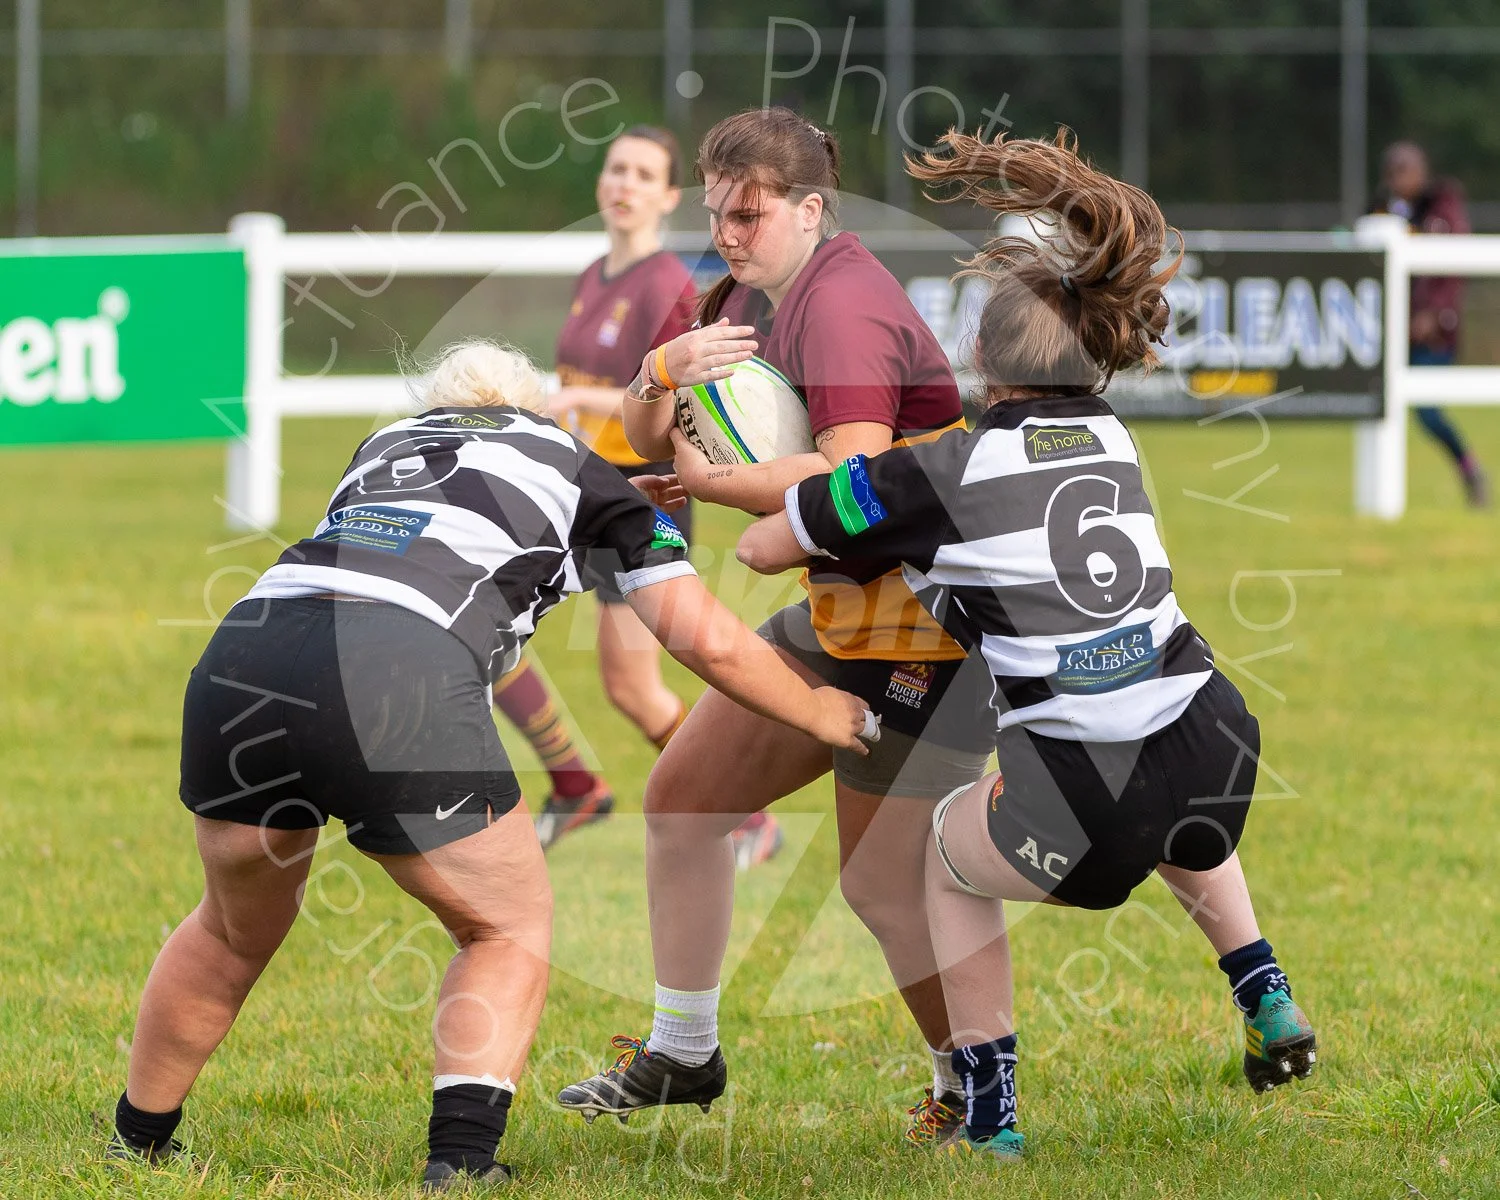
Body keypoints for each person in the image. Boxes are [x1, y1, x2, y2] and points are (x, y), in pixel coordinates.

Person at [108, 339, 874, 1191]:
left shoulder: (387, 444)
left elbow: (448, 537)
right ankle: (461, 1162)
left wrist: (612, 510)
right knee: (503, 927)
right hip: (395, 668)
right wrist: (817, 710)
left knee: (228, 928)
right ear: (536, 408)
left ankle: (138, 1140)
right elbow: (706, 641)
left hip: (245, 658)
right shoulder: (577, 463)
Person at [738, 128, 1320, 1160]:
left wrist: (733, 470)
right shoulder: (1113, 435)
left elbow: (763, 546)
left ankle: (992, 1121)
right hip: (1219, 742)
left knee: (943, 860)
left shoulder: (939, 469)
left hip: (1088, 792)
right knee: (1170, 791)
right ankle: (1264, 991)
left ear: (981, 360)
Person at [556, 107, 1001, 1145]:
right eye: (715, 213)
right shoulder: (746, 296)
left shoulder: (841, 304)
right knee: (685, 802)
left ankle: (974, 1088)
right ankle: (684, 1052)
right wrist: (662, 372)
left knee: (882, 888)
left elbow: (851, 478)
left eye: (747, 215)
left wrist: (718, 484)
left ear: (810, 208)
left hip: (925, 634)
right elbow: (645, 431)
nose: (726, 234)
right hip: (845, 617)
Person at [543, 122, 784, 864]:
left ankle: (743, 816)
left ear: (670, 196)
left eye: (644, 175)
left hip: (641, 495)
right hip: (590, 486)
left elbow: (688, 393)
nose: (625, 185)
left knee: (635, 686)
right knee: (579, 665)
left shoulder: (667, 285)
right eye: (617, 169)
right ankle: (577, 787)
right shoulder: (595, 273)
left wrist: (579, 405)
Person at [1373, 140, 1489, 507]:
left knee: (1426, 410)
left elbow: (1454, 266)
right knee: (1380, 403)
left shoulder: (1444, 207)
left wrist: (1435, 313)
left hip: (1435, 334)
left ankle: (1470, 469)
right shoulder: (1385, 209)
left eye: (1405, 171)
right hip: (1392, 330)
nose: (1398, 180)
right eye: (1392, 172)